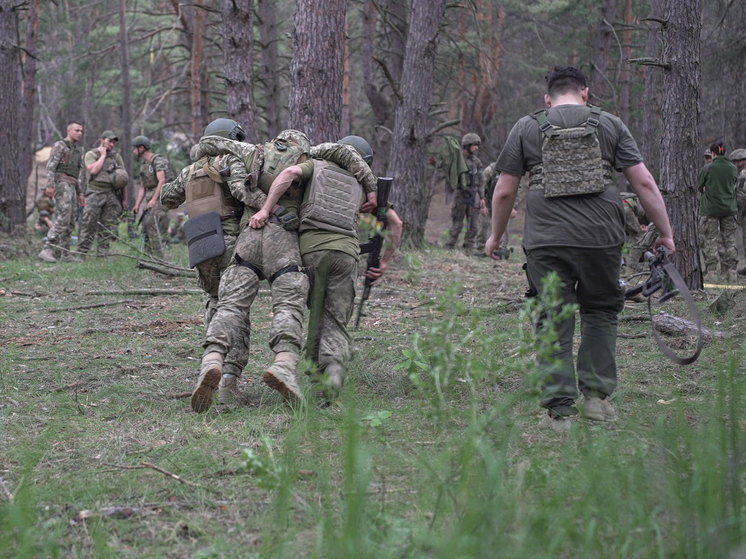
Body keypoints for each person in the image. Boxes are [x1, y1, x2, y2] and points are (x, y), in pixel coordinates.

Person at [485, 66, 675, 431]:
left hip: (545, 240)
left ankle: (559, 412)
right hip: (601, 238)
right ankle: (597, 400)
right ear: (585, 94)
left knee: (554, 316)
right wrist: (665, 233)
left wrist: (496, 237)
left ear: (547, 99)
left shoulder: (526, 127)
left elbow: (505, 190)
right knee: (601, 311)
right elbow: (644, 184)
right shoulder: (610, 124)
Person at [192, 130, 379, 412]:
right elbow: (343, 154)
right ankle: (284, 364)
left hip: (249, 236)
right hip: (285, 241)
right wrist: (371, 185)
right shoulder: (313, 158)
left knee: (230, 305)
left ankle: (213, 361)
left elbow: (206, 144)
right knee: (288, 306)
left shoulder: (251, 151)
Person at [249, 135, 402, 404]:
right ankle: (330, 376)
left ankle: (313, 373)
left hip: (310, 252)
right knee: (335, 319)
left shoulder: (314, 166)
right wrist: (385, 261)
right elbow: (396, 224)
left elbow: (288, 172)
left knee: (317, 313)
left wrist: (265, 208)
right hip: (345, 254)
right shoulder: (366, 187)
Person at [161, 118, 264, 407]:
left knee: (214, 301)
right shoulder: (230, 162)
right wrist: (271, 205)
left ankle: (209, 365)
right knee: (235, 308)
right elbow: (245, 194)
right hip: (231, 240)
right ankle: (229, 381)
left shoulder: (190, 170)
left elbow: (167, 198)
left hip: (201, 243)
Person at [37, 120, 86, 263]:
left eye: (81, 131)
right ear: (68, 131)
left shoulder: (76, 151)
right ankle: (47, 248)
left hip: (72, 186)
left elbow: (76, 175)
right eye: (77, 130)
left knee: (70, 221)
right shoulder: (60, 146)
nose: (80, 133)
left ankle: (66, 254)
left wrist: (81, 193)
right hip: (61, 184)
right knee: (64, 217)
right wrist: (50, 186)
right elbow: (51, 166)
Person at [77, 130, 126, 258]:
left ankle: (102, 253)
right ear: (102, 140)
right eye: (109, 141)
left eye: (113, 142)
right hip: (94, 193)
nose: (111, 144)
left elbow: (123, 178)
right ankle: (81, 253)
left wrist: (124, 200)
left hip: (111, 194)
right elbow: (93, 170)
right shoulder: (91, 154)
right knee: (89, 224)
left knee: (107, 225)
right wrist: (103, 156)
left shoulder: (116, 157)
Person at [698, 141, 738, 281]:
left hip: (710, 209)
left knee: (710, 240)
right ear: (725, 152)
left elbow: (699, 186)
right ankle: (732, 272)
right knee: (730, 241)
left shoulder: (707, 168)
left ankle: (712, 272)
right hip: (729, 208)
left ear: (713, 153)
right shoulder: (733, 168)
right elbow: (735, 185)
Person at [132, 135, 171, 259]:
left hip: (160, 197)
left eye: (135, 148)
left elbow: (162, 181)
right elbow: (143, 187)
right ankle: (149, 258)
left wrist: (154, 200)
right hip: (150, 199)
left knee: (152, 225)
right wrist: (137, 205)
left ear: (141, 148)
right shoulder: (144, 165)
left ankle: (160, 260)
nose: (134, 151)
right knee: (146, 227)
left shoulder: (157, 161)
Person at [446, 133, 484, 253]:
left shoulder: (477, 162)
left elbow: (481, 180)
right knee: (457, 223)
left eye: (477, 145)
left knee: (473, 225)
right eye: (474, 145)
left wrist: (482, 197)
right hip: (460, 195)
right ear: (467, 146)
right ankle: (449, 246)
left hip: (473, 195)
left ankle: (468, 248)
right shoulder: (458, 160)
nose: (476, 148)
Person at [478, 161, 517, 259]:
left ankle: (501, 249)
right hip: (488, 201)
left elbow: (517, 189)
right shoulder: (490, 170)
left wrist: (514, 206)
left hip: (503, 203)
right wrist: (482, 204)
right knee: (484, 224)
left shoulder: (512, 171)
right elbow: (481, 185)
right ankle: (481, 248)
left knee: (503, 226)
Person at [728, 148, 746, 275]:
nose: (734, 165)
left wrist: (738, 215)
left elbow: (741, 196)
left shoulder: (743, 176)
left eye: (736, 162)